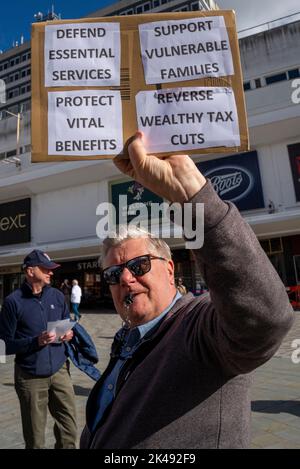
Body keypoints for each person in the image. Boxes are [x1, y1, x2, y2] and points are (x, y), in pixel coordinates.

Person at [80, 131, 294, 449]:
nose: (125, 279)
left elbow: (265, 319)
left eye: (138, 266)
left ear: (169, 269)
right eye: (113, 274)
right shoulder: (129, 336)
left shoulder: (198, 327)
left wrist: (190, 194)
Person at [0, 250, 77, 449]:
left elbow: (65, 324)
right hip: (30, 376)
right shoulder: (12, 302)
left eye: (51, 269)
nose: (51, 273)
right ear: (30, 271)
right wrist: (36, 341)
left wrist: (67, 335)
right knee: (35, 439)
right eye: (46, 269)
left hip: (60, 370)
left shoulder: (58, 296)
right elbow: (4, 344)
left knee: (69, 431)